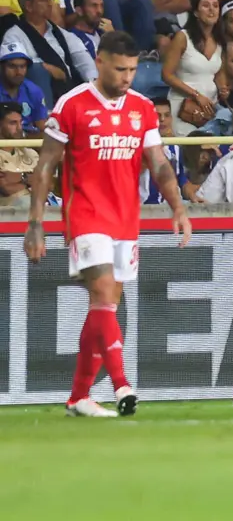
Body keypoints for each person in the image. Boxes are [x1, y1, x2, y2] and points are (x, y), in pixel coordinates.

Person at [24, 31, 191, 417]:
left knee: (104, 310)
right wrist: (36, 222)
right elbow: (46, 165)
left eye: (133, 69)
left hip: (124, 219)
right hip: (85, 215)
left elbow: (160, 163)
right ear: (99, 62)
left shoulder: (143, 108)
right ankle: (121, 385)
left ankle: (79, 397)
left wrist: (178, 208)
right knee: (102, 297)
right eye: (120, 69)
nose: (128, 77)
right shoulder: (73, 104)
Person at [2, 0, 96, 102]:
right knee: (37, 70)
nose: (50, 4)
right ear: (28, 6)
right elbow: (14, 64)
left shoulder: (61, 33)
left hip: (69, 87)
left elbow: (81, 56)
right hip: (36, 92)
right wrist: (45, 67)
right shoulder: (14, 35)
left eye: (50, 0)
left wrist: (93, 81)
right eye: (43, 0)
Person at [161, 0, 224, 136]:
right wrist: (196, 95)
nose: (212, 10)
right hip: (184, 107)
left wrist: (223, 89)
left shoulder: (220, 41)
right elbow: (166, 74)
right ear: (195, 12)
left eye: (215, 6)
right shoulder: (183, 37)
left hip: (208, 110)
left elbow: (217, 76)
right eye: (206, 6)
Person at [0, 40, 47, 133]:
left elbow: (42, 128)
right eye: (12, 66)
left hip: (27, 142)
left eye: (22, 66)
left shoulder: (34, 91)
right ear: (1, 67)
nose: (18, 72)